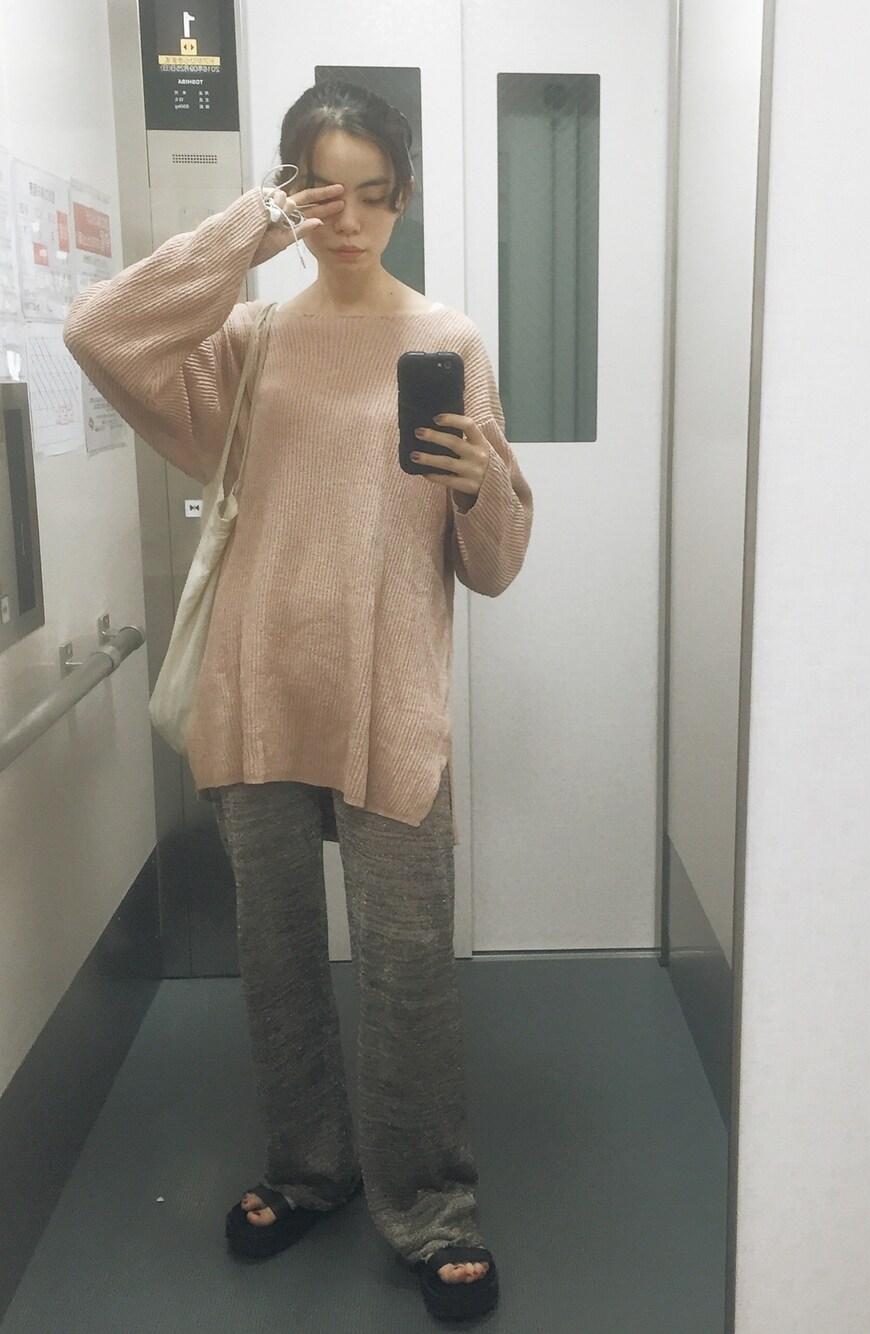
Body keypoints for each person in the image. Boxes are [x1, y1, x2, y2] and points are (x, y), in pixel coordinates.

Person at [63, 78, 532, 1322]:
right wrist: (251, 229)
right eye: (325, 195)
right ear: (291, 193)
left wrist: (479, 480)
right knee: (277, 959)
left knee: (407, 966)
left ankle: (431, 1204)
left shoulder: (449, 341)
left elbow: (492, 563)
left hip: (391, 691)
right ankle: (310, 1167)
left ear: (404, 198)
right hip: (258, 685)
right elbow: (101, 331)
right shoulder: (248, 340)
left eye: (374, 195)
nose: (351, 221)